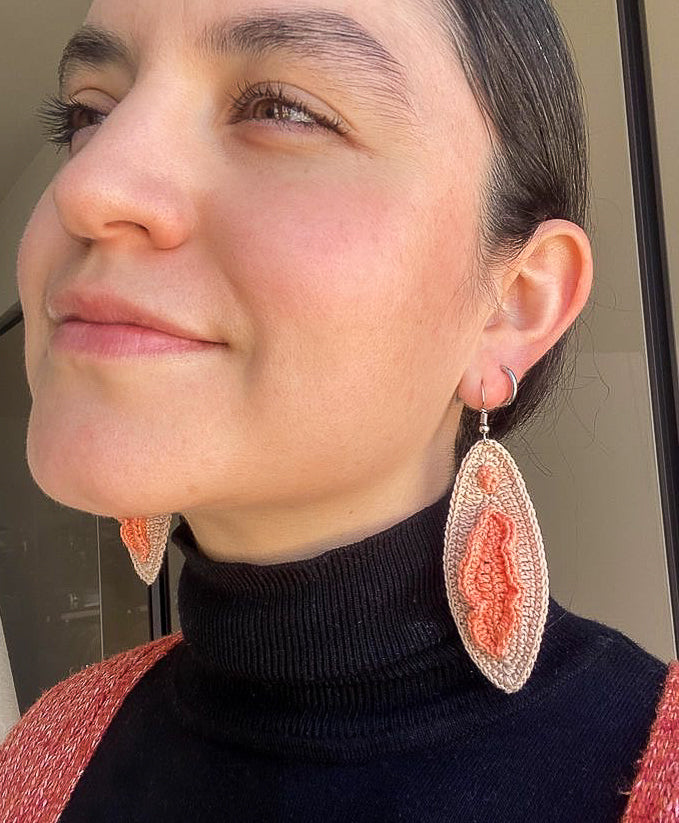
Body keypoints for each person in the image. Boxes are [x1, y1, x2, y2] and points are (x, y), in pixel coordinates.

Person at [0, 0, 676, 820]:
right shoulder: (43, 756)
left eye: (281, 109)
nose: (87, 184)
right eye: (87, 114)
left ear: (514, 306)